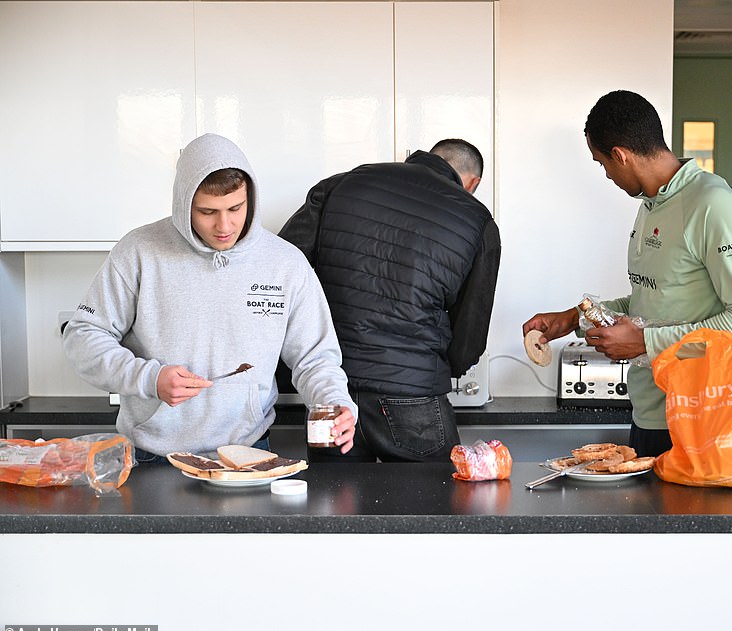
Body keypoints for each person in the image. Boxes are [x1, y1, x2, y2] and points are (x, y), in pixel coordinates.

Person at [63, 133, 357, 463]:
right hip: (151, 456)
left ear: (251, 198)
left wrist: (335, 402)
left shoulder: (285, 264)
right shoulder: (139, 252)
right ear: (183, 203)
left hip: (247, 455)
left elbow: (315, 358)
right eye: (207, 211)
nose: (224, 225)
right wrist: (150, 379)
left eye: (236, 208)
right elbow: (82, 337)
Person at [522, 90, 732, 457]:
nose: (606, 174)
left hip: (704, 419)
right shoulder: (652, 205)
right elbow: (652, 299)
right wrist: (572, 319)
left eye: (602, 163)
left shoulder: (715, 207)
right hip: (651, 414)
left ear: (621, 155)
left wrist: (646, 341)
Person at [279, 139, 500, 462]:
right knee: (432, 506)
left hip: (332, 390)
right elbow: (471, 329)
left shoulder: (341, 185)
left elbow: (281, 268)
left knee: (334, 505)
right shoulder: (477, 220)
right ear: (473, 184)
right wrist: (443, 369)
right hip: (413, 394)